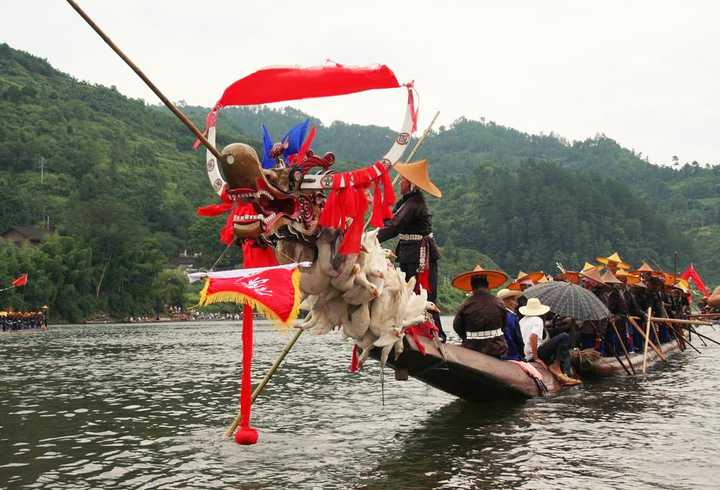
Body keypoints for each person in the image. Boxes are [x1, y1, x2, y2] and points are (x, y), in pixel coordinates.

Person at [378, 160, 446, 341]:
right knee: (408, 292)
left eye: (402, 180)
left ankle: (436, 334)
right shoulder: (406, 202)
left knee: (423, 293)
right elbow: (391, 221)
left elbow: (394, 226)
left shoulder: (414, 203)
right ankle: (413, 330)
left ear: (411, 184)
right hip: (409, 253)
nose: (399, 182)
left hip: (420, 254)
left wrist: (371, 238)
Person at [519, 298, 582, 386]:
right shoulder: (538, 320)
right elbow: (533, 337)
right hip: (535, 352)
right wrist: (536, 357)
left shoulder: (521, 321)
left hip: (525, 353)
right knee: (564, 337)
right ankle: (557, 367)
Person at [452, 272, 508, 357]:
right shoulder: (499, 303)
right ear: (487, 285)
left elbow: (457, 327)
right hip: (497, 349)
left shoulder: (465, 304)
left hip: (472, 348)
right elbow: (504, 325)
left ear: (472, 287)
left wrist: (468, 337)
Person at [497, 288, 524, 360]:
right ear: (508, 301)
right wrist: (519, 356)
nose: (517, 304)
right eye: (514, 300)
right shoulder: (510, 317)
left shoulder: (499, 314)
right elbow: (512, 338)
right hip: (511, 355)